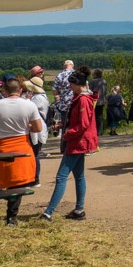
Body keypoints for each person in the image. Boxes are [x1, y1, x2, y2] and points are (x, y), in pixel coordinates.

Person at [0, 76, 44, 226]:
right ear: (20, 90)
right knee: (17, 183)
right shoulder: (29, 105)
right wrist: (26, 126)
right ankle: (11, 217)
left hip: (0, 146)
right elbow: (38, 128)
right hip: (22, 146)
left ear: (4, 90)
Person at [42, 70, 97, 221]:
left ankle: (48, 212)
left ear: (77, 84)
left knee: (61, 177)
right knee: (79, 176)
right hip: (78, 142)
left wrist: (67, 134)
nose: (70, 87)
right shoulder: (80, 98)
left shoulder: (83, 100)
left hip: (77, 143)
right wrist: (63, 124)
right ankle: (79, 210)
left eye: (71, 84)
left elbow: (83, 124)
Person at [23, 75, 50, 184]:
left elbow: (29, 110)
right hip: (40, 127)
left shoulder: (37, 98)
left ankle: (35, 178)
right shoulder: (42, 97)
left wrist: (27, 100)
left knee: (35, 154)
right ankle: (34, 177)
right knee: (35, 153)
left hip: (36, 128)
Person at [52, 60, 75, 139]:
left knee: (64, 125)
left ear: (64, 66)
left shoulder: (59, 75)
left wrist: (58, 97)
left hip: (63, 104)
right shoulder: (76, 74)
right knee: (74, 124)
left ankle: (64, 144)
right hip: (75, 103)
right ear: (72, 65)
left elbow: (54, 90)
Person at [89, 69, 108, 136]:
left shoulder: (92, 82)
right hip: (102, 100)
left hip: (94, 100)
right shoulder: (104, 81)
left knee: (93, 116)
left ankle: (94, 130)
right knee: (100, 116)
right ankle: (100, 131)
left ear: (95, 74)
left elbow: (90, 91)